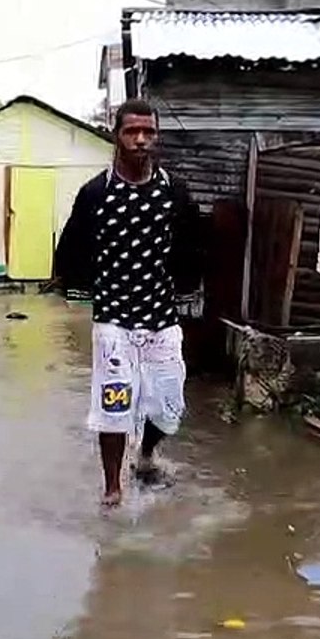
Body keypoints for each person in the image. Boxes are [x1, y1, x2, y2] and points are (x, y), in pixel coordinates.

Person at [53, 99, 202, 507]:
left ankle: (147, 453)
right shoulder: (96, 193)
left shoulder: (174, 192)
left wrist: (188, 286)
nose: (140, 140)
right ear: (116, 136)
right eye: (131, 131)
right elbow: (71, 249)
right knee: (114, 403)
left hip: (162, 316)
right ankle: (112, 487)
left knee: (168, 403)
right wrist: (80, 290)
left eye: (148, 132)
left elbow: (193, 245)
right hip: (114, 319)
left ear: (157, 137)